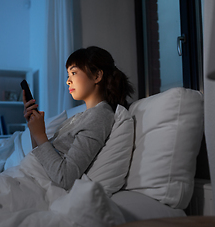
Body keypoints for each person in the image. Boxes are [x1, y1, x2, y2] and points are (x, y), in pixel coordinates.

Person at [23, 46, 134, 190]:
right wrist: (35, 129)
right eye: (68, 75)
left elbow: (65, 178)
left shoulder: (99, 116)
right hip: (32, 176)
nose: (68, 81)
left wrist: (40, 134)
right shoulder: (82, 116)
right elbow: (43, 159)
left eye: (73, 73)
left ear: (96, 76)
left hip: (38, 185)